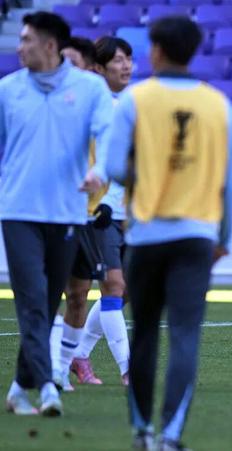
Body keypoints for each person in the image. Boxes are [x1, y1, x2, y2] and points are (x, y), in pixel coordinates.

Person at [105, 16, 232, 450]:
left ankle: (142, 432)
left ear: (157, 50)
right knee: (184, 336)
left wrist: (145, 175)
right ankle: (172, 434)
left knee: (144, 333)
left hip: (146, 235)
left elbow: (111, 167)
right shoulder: (218, 105)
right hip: (197, 236)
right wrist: (224, 238)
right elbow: (229, 183)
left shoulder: (135, 99)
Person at [0, 12, 113, 416]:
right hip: (18, 212)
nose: (19, 47)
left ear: (50, 46)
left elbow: (108, 135)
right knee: (32, 299)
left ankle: (19, 388)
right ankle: (48, 385)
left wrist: (99, 172)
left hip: (68, 213)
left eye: (26, 40)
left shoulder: (90, 89)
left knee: (47, 304)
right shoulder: (7, 90)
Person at [66, 36, 134, 389]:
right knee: (112, 286)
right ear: (98, 67)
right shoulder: (89, 109)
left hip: (130, 213)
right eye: (118, 60)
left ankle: (79, 353)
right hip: (100, 213)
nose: (126, 66)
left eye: (129, 59)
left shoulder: (128, 105)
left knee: (124, 290)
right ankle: (128, 368)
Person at [48, 35, 99, 382]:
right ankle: (53, 370)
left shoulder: (102, 105)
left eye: (73, 62)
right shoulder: (44, 102)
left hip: (90, 213)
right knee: (49, 292)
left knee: (79, 294)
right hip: (49, 212)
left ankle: (67, 362)